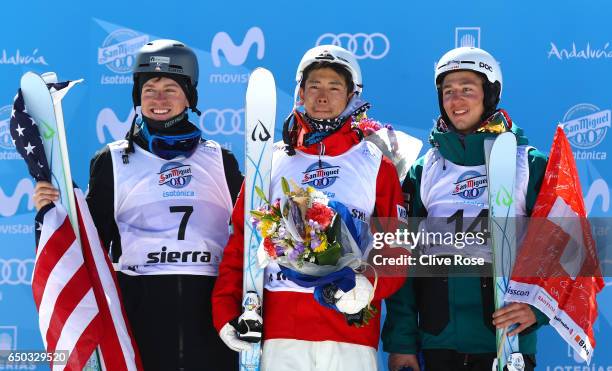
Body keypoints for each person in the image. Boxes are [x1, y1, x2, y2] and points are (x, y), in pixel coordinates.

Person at [32, 39, 243, 371]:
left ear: (190, 96)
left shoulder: (221, 160)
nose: (159, 99)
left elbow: (252, 234)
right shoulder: (112, 161)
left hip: (210, 310)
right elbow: (90, 244)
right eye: (149, 90)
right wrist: (52, 214)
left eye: (171, 89)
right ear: (137, 97)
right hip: (141, 309)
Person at [212, 45, 407, 371]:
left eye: (335, 87)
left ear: (351, 96)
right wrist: (226, 310)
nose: (323, 95)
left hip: (349, 330)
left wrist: (368, 284)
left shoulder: (377, 165)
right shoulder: (268, 160)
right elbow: (241, 243)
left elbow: (396, 248)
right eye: (314, 85)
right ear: (300, 92)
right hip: (281, 331)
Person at [382, 47, 550, 371]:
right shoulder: (424, 171)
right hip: (440, 342)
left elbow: (564, 249)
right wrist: (402, 343)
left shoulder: (529, 164)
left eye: (467, 90)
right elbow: (402, 260)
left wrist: (539, 309)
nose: (456, 101)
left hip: (508, 343)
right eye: (448, 92)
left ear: (489, 94)